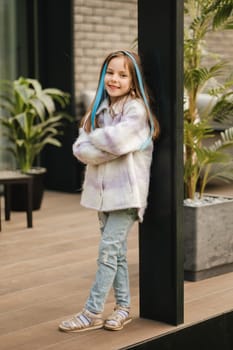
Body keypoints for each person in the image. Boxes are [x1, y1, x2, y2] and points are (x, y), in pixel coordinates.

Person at [59, 50, 159, 333]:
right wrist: (99, 145)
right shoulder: (99, 110)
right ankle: (123, 308)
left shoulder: (137, 110)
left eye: (122, 74)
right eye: (110, 73)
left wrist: (96, 142)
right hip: (103, 195)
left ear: (133, 79)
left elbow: (116, 142)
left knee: (106, 251)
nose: (114, 79)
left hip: (127, 195)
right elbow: (80, 149)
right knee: (115, 254)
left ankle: (92, 312)